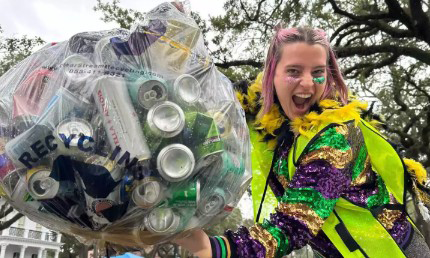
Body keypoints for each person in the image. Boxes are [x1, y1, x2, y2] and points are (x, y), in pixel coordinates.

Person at [174, 26, 430, 257]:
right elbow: (217, 95)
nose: (307, 84)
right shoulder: (270, 117)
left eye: (318, 72)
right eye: (294, 71)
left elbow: (294, 224)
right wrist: (177, 39)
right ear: (271, 75)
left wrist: (216, 248)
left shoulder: (335, 138)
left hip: (390, 251)